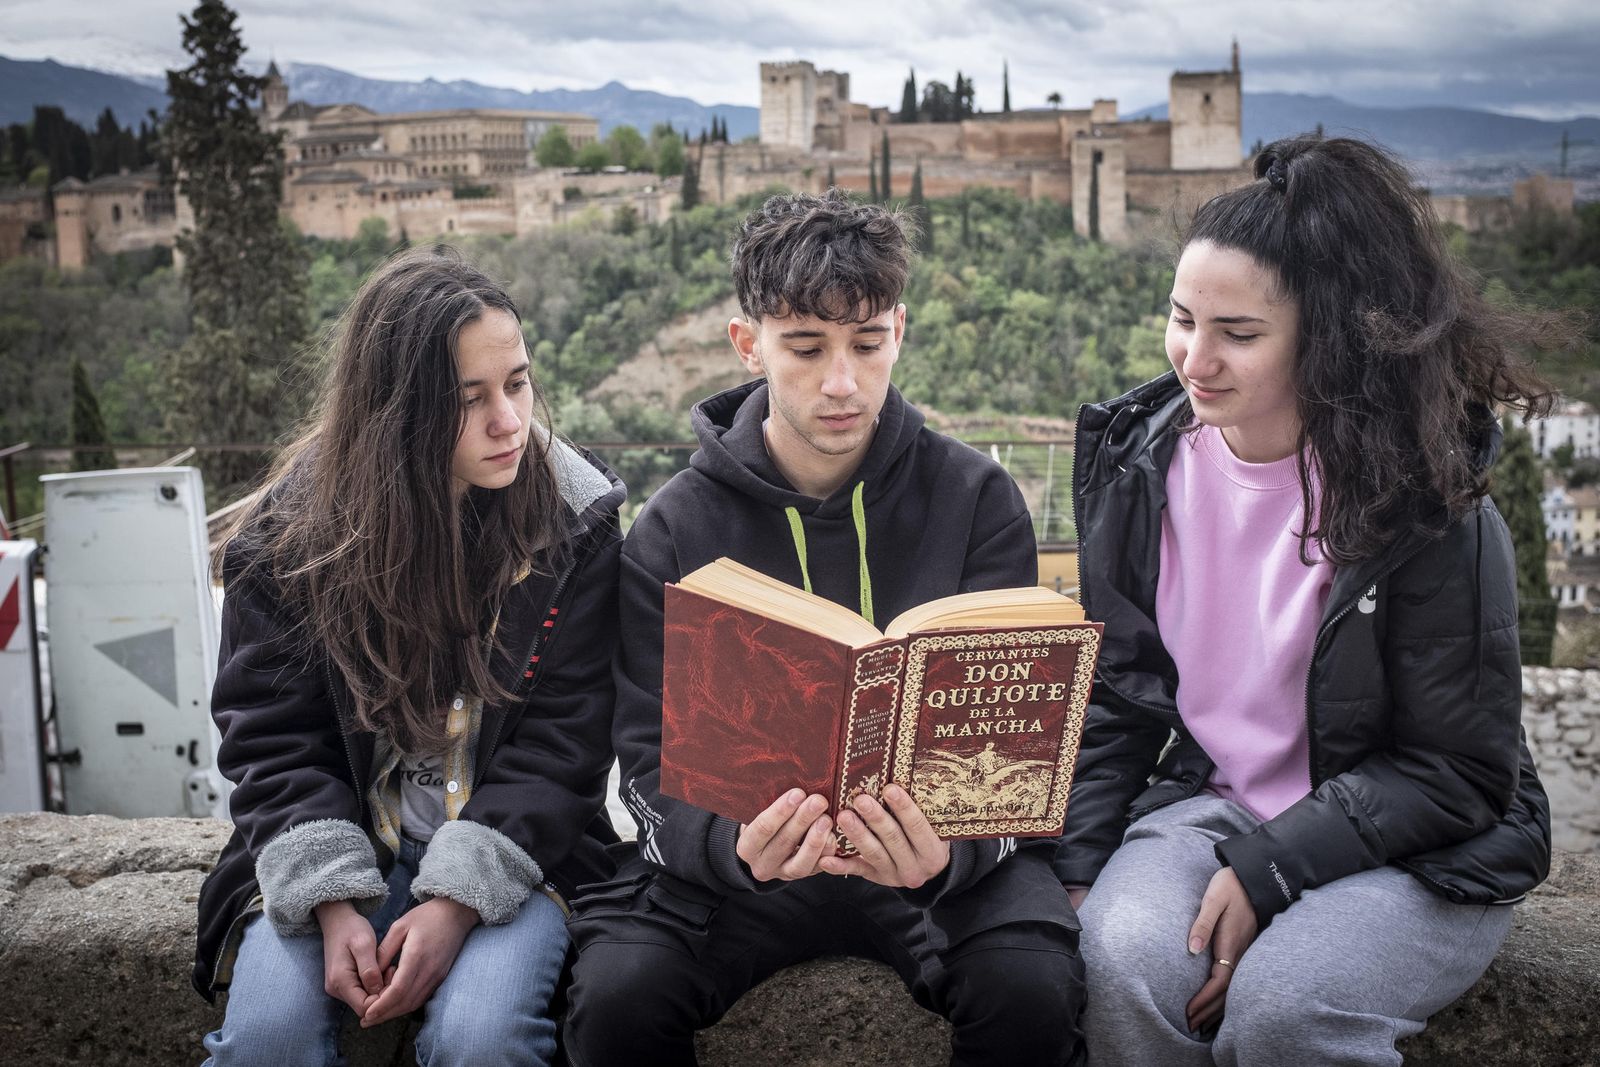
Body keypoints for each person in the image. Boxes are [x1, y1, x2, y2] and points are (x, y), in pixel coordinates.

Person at [1060, 134, 1557, 1066]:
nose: (1193, 360)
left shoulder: (1427, 500)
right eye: (1181, 318)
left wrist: (1273, 868)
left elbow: (1459, 771)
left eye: (1237, 334)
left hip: (1420, 848)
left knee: (1290, 1005)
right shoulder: (1141, 466)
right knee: (1117, 961)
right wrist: (1081, 867)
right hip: (1216, 802)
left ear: (1324, 337)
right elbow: (1121, 695)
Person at [562, 189, 1085, 1067]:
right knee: (617, 998)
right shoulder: (674, 529)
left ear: (900, 334)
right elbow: (645, 762)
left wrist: (946, 856)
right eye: (805, 348)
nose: (841, 381)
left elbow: (1018, 750)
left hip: (934, 868)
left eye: (868, 344)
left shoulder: (979, 499)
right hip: (739, 872)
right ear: (748, 343)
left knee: (1030, 990)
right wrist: (731, 847)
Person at [190, 246, 625, 1067]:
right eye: (469, 400)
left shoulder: (576, 524)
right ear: (396, 411)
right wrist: (329, 900)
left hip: (520, 855)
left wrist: (459, 899)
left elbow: (567, 743)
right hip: (335, 839)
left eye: (518, 383)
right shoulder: (292, 542)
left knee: (483, 1037)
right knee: (269, 1039)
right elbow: (271, 733)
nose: (509, 420)